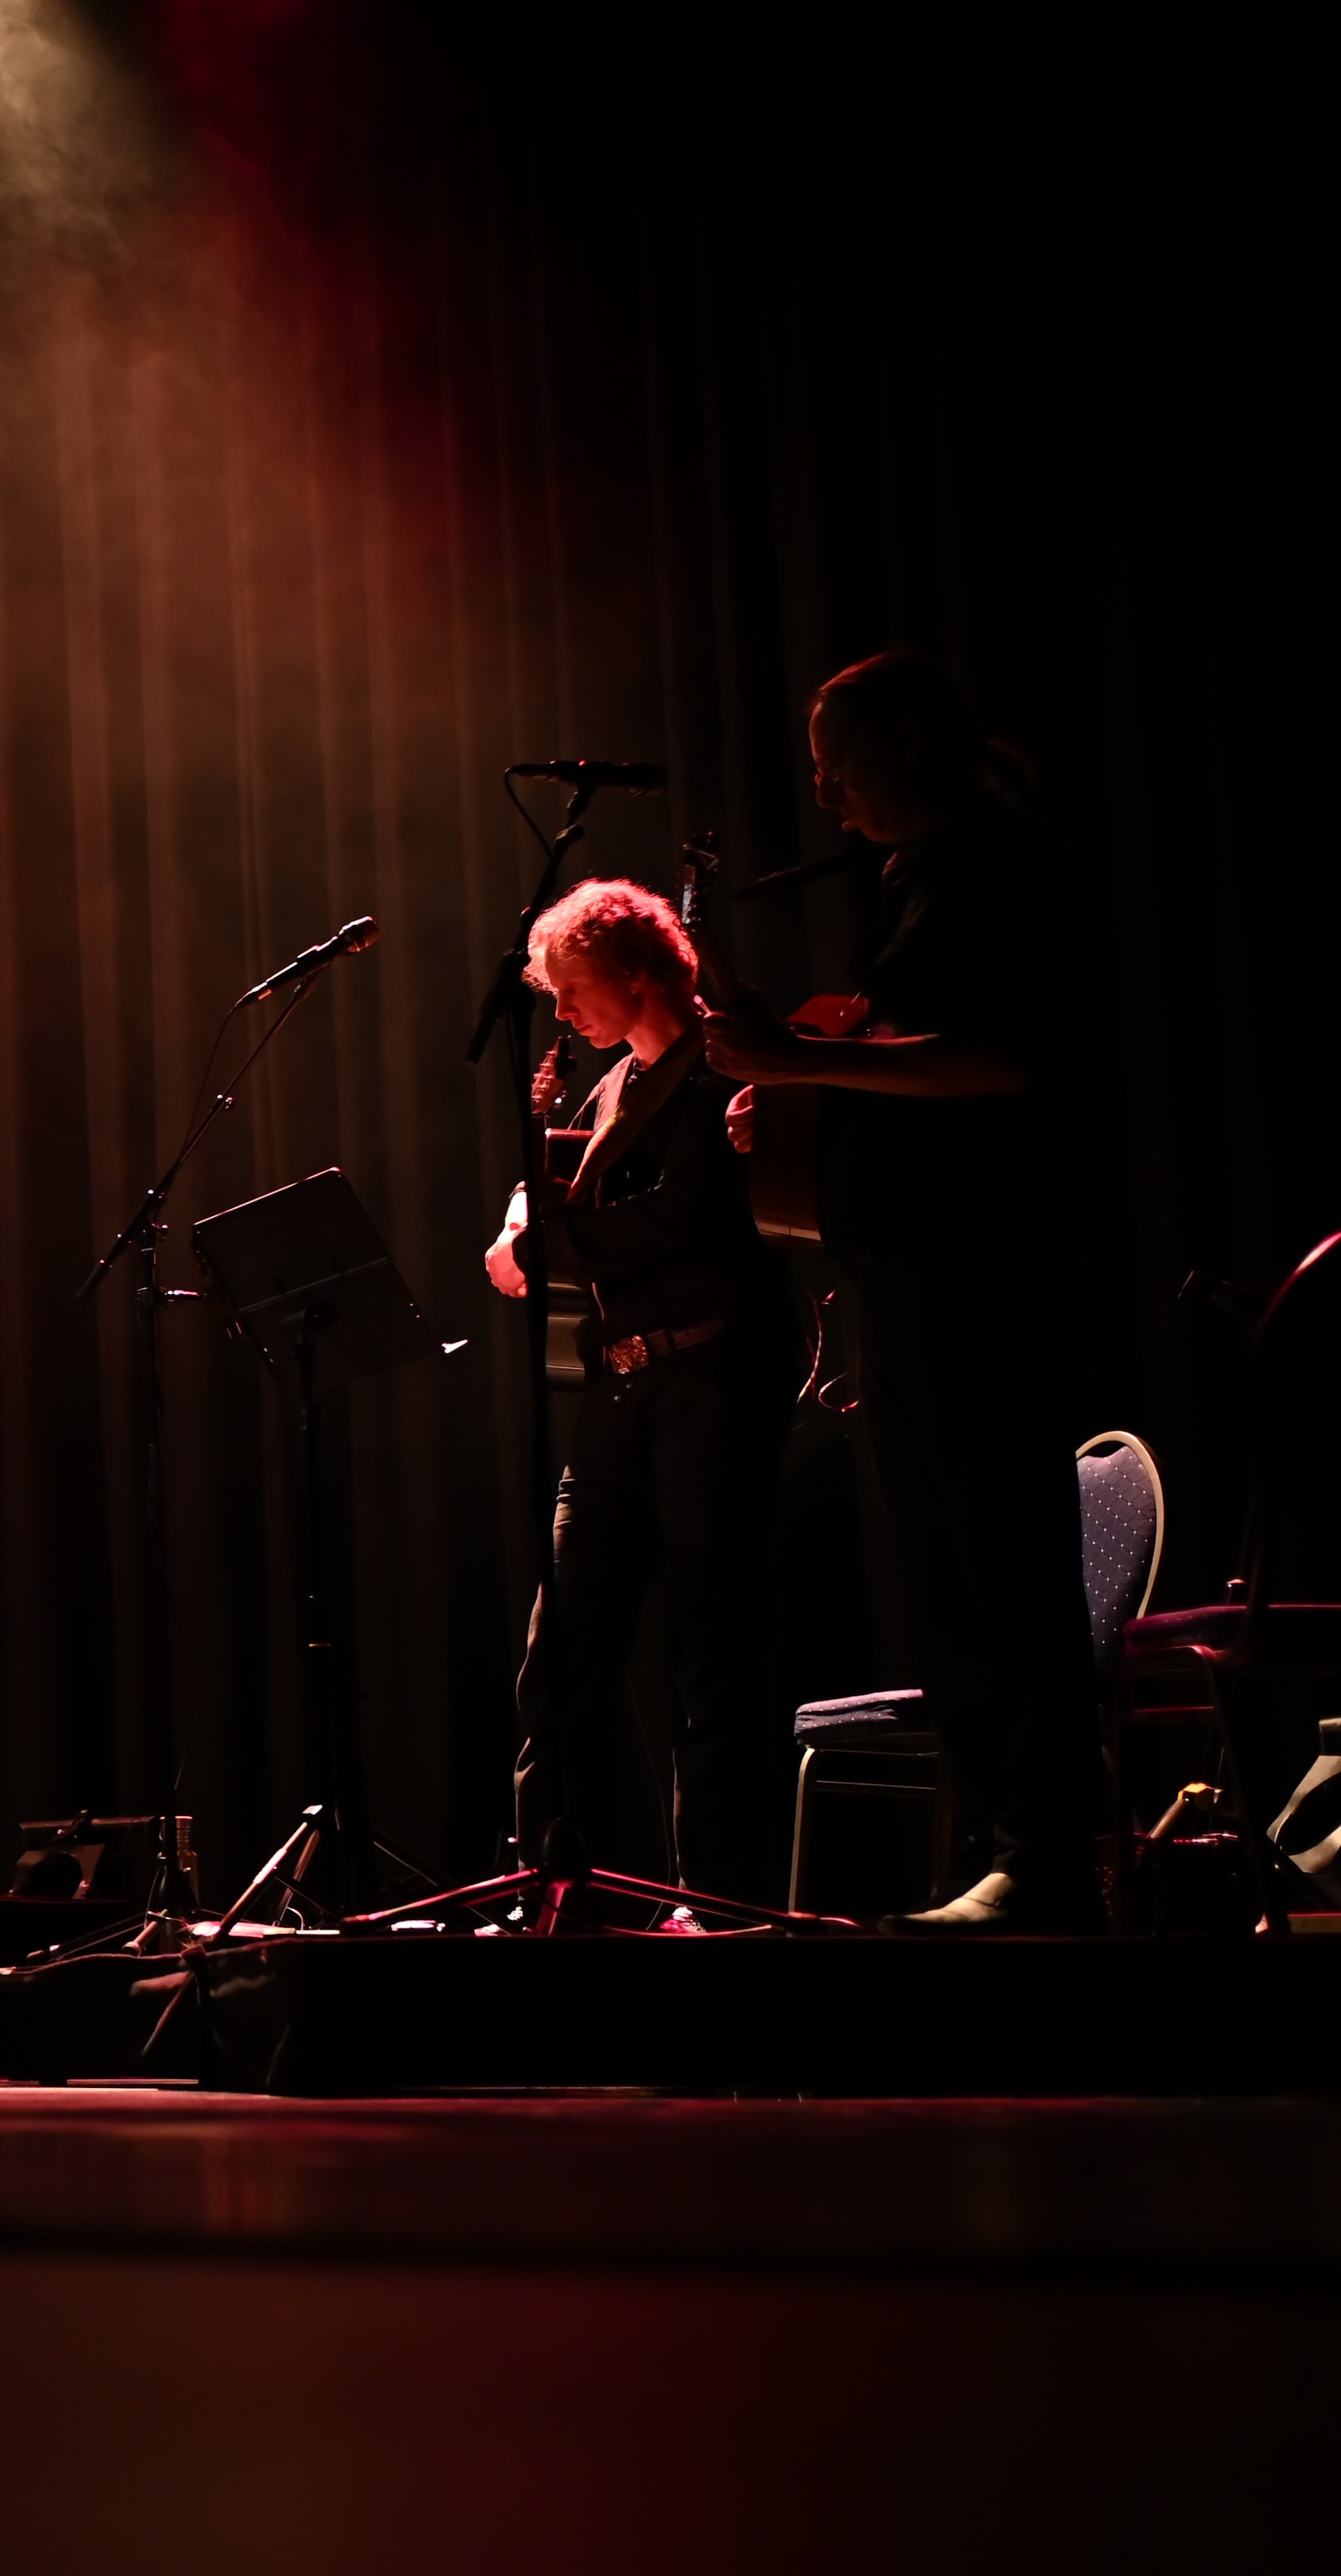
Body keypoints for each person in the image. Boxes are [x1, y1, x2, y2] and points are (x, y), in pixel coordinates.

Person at [699, 650, 1097, 1931]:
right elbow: (893, 1068)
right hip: (906, 1279)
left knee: (1003, 1572)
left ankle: (1047, 1862)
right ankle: (992, 1851)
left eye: (840, 762)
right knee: (944, 1584)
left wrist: (797, 1060)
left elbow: (996, 1065)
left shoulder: (997, 867)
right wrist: (798, 1093)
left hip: (979, 1273)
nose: (822, 792)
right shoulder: (914, 878)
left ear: (915, 742)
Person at [483, 880, 801, 1899]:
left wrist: (546, 1243)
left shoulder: (723, 1064)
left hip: (712, 1381)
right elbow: (559, 1186)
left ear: (633, 973)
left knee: (714, 1655)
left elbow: (687, 1216)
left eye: (571, 987)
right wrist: (522, 1215)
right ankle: (553, 1892)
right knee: (563, 1654)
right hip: (619, 1391)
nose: (562, 1010)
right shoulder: (616, 1081)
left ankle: (719, 1899)